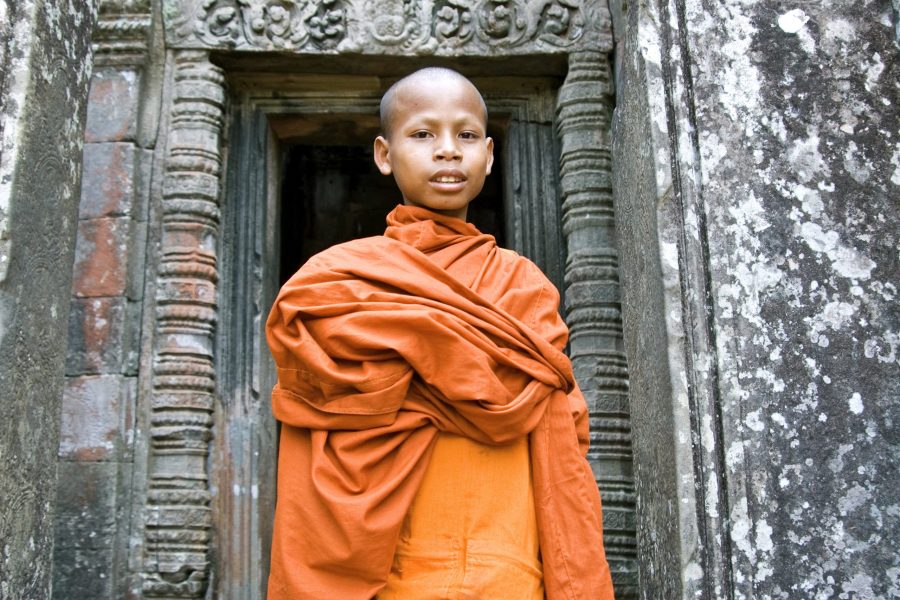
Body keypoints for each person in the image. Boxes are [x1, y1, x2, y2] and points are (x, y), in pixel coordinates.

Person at [265, 67, 615, 599]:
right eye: (423, 134)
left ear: (490, 154)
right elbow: (319, 426)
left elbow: (562, 438)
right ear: (384, 154)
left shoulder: (522, 284)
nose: (448, 151)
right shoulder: (334, 283)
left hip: (508, 563)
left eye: (467, 135)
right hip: (386, 569)